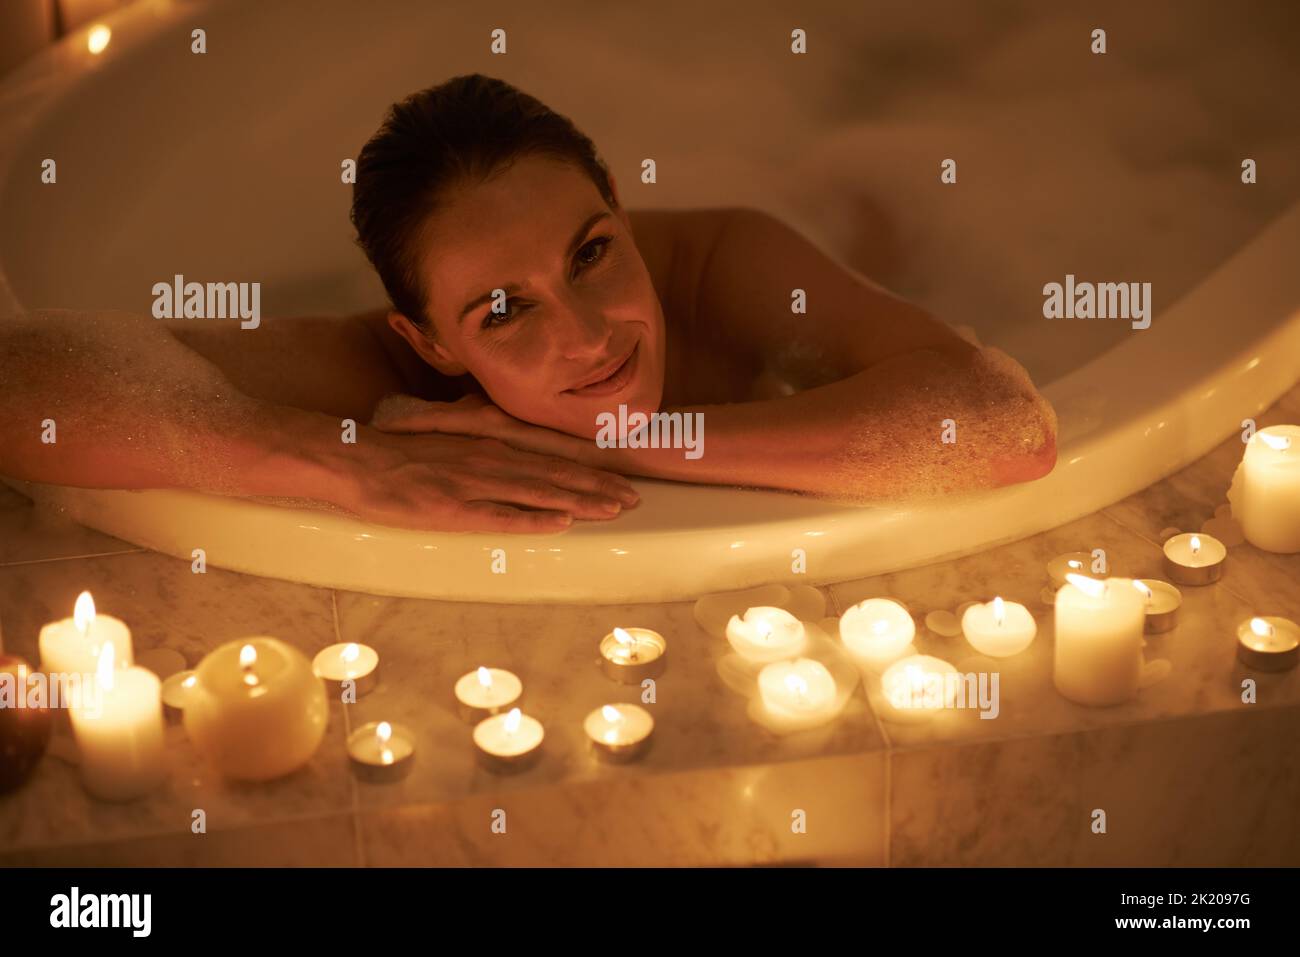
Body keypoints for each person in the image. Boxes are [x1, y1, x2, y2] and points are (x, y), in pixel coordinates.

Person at [0, 74, 1056, 534]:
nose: (588, 334)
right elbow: (19, 379)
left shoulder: (729, 258)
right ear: (431, 344)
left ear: (622, 215)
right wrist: (342, 463)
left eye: (591, 252)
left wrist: (609, 447)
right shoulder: (394, 372)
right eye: (502, 311)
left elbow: (1001, 427)